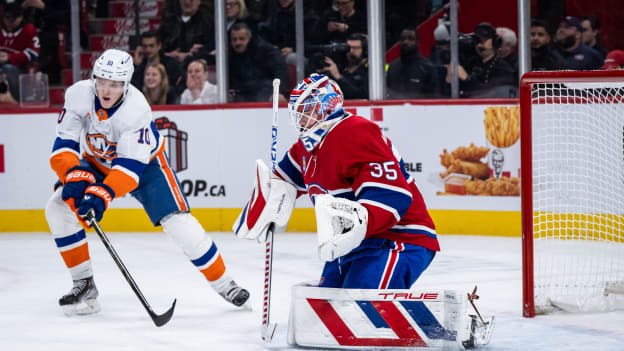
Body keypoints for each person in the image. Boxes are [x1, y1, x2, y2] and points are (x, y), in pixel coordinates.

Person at [45, 49, 249, 316]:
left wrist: (102, 193)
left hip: (145, 165)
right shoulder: (78, 95)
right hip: (96, 161)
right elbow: (63, 144)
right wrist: (72, 173)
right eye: (102, 81)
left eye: (115, 84)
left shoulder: (136, 109)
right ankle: (83, 283)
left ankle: (225, 284)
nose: (106, 90)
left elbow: (129, 170)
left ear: (126, 84)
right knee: (57, 206)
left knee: (178, 222)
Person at [234, 73, 439, 290]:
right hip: (354, 244)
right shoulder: (305, 146)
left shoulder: (355, 131)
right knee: (324, 309)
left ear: (328, 105)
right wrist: (270, 199)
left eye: (307, 110)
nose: (301, 119)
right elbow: (285, 181)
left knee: (360, 309)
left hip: (399, 238)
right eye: (298, 112)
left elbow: (393, 195)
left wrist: (355, 222)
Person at [228, 22, 289, 102]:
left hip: (265, 91)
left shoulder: (266, 50)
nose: (237, 43)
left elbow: (281, 71)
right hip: (242, 93)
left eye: (241, 39)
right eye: (234, 40)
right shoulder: (229, 54)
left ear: (249, 38)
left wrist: (278, 92)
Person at [454, 22, 515, 98]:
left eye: (483, 40)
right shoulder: (470, 63)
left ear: (495, 42)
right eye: (476, 41)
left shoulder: (503, 68)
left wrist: (467, 79)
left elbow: (492, 93)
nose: (479, 45)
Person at [0, 2, 40, 100]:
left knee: (8, 68)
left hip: (19, 69)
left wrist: (10, 58)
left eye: (12, 19)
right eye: (6, 18)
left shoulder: (29, 29)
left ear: (20, 17)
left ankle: (15, 100)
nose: (9, 22)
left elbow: (34, 53)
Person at [386, 26, 439, 99]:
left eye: (410, 39)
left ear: (417, 42)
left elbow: (433, 97)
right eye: (403, 39)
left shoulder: (427, 67)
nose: (406, 42)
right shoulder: (392, 67)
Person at [159, 0, 214, 66]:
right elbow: (157, 47)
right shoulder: (169, 22)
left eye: (191, 0)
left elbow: (214, 47)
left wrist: (198, 52)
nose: (187, 2)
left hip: (197, 67)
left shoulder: (208, 22)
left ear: (199, 1)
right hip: (171, 67)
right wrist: (168, 55)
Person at [316, 33, 368, 99]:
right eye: (348, 48)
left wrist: (339, 77)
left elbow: (362, 94)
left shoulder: (368, 68)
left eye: (356, 48)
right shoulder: (341, 65)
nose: (351, 51)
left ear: (364, 50)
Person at [131, 31, 184, 96]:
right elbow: (133, 88)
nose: (148, 49)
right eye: (145, 46)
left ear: (159, 46)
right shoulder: (140, 66)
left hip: (169, 102)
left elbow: (182, 83)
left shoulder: (172, 63)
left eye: (151, 46)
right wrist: (136, 65)